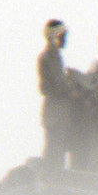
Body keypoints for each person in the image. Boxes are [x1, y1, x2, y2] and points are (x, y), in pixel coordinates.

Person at [37, 18, 70, 169]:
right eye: (63, 36)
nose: (65, 40)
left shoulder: (54, 56)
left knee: (58, 146)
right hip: (55, 111)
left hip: (57, 110)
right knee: (54, 148)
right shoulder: (50, 56)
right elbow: (57, 86)